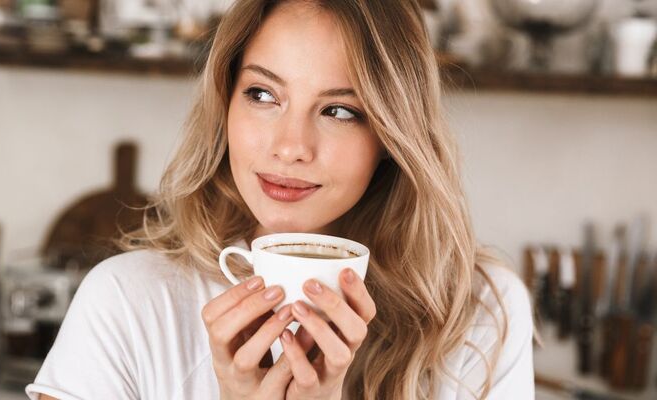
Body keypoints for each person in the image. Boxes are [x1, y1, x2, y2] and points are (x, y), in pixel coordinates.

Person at [26, 0, 534, 399]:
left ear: (391, 138)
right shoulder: (125, 302)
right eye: (263, 95)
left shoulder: (480, 312)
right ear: (226, 102)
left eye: (338, 111)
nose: (290, 147)